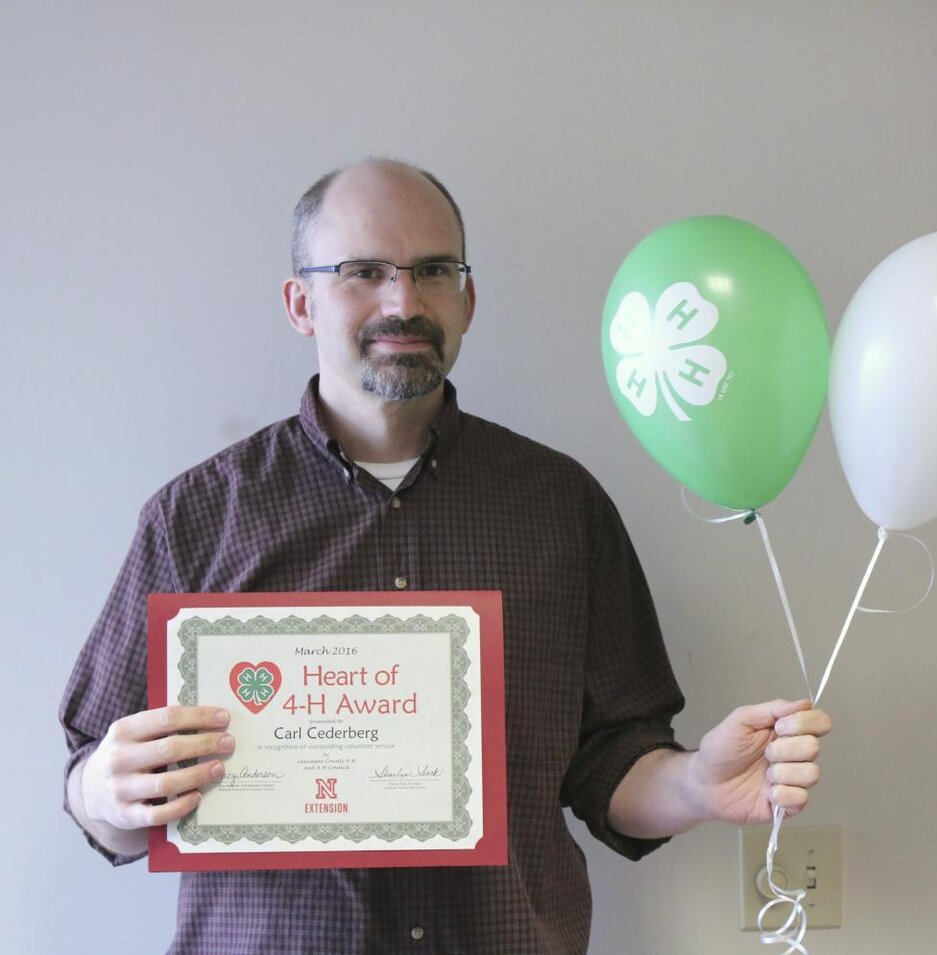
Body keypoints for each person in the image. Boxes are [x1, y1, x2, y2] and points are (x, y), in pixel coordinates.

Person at [61, 159, 831, 954]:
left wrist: (700, 781)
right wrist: (107, 793)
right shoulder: (196, 517)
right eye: (362, 272)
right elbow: (95, 792)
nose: (403, 301)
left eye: (433, 270)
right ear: (301, 302)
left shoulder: (562, 507)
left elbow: (612, 767)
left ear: (467, 298)